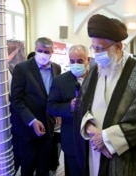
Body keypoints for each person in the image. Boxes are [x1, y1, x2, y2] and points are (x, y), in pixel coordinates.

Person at [73, 14, 136, 176]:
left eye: (100, 48)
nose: (96, 53)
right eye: (93, 48)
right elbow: (82, 105)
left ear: (118, 46)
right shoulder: (94, 72)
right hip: (95, 150)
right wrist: (91, 130)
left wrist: (106, 138)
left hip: (126, 156)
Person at [10, 37, 61, 176]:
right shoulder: (22, 68)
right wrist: (32, 120)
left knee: (44, 166)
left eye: (46, 51)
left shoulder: (56, 68)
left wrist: (56, 112)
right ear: (35, 49)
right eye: (40, 51)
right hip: (27, 127)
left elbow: (54, 94)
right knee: (28, 165)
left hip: (48, 125)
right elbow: (16, 100)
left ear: (52, 51)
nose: (43, 54)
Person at [47, 44, 90, 176]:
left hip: (94, 139)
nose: (75, 64)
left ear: (87, 60)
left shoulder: (97, 77)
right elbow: (51, 107)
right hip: (72, 138)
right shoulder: (60, 81)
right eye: (72, 61)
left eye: (80, 61)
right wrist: (69, 107)